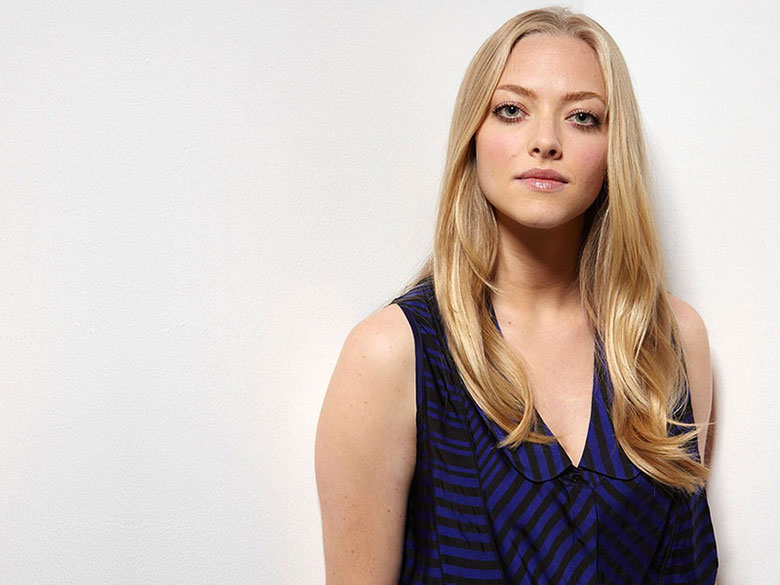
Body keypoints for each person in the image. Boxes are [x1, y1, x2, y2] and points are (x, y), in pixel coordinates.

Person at [315, 6, 719, 585]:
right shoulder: (391, 355)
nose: (546, 141)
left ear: (614, 148)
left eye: (582, 117)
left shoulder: (673, 344)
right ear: (474, 136)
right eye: (512, 110)